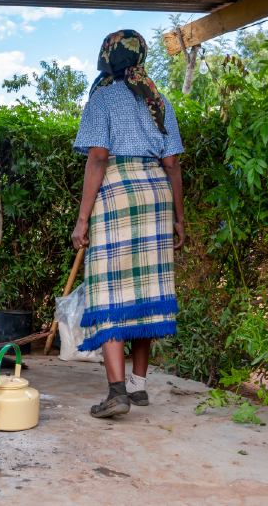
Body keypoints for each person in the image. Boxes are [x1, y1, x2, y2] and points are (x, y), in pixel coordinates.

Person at [70, 29, 184, 419]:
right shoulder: (157, 99)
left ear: (106, 57)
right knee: (145, 291)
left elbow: (98, 157)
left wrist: (82, 219)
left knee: (111, 293)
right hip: (156, 196)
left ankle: (116, 391)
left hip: (117, 195)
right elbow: (172, 164)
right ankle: (138, 386)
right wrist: (179, 218)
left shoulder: (102, 98)